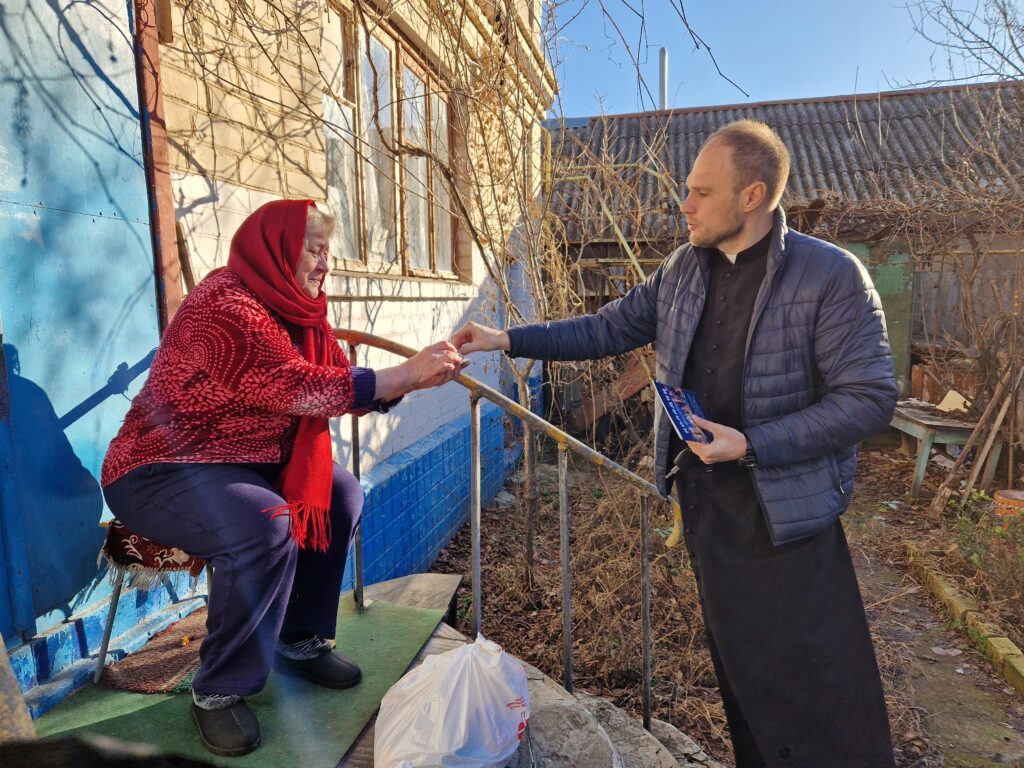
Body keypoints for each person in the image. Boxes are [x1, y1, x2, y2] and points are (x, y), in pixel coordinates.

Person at [454, 120, 899, 767]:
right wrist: (505, 339)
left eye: (700, 192)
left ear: (751, 196)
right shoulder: (683, 271)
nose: (684, 206)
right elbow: (603, 330)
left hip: (791, 524)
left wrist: (753, 442)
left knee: (821, 697)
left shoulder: (830, 276)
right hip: (709, 513)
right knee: (744, 683)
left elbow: (870, 398)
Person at [101, 199, 464, 757]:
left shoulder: (298, 308)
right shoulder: (225, 305)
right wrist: (408, 371)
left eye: (327, 252)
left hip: (238, 459)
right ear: (276, 250)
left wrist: (412, 380)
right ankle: (219, 689)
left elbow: (332, 379)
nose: (325, 265)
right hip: (162, 465)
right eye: (313, 251)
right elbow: (295, 387)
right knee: (265, 524)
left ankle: (301, 639)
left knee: (338, 492)